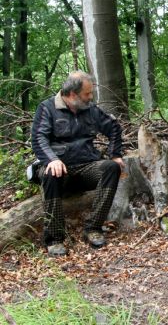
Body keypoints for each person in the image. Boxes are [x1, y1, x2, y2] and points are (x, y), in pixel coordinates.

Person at [31, 71, 125, 257]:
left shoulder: (90, 110)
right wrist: (53, 160)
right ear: (73, 95)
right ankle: (55, 238)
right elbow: (38, 139)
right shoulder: (47, 108)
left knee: (111, 168)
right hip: (60, 172)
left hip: (86, 168)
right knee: (50, 172)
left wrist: (115, 155)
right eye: (87, 94)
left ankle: (93, 228)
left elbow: (113, 127)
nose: (91, 97)